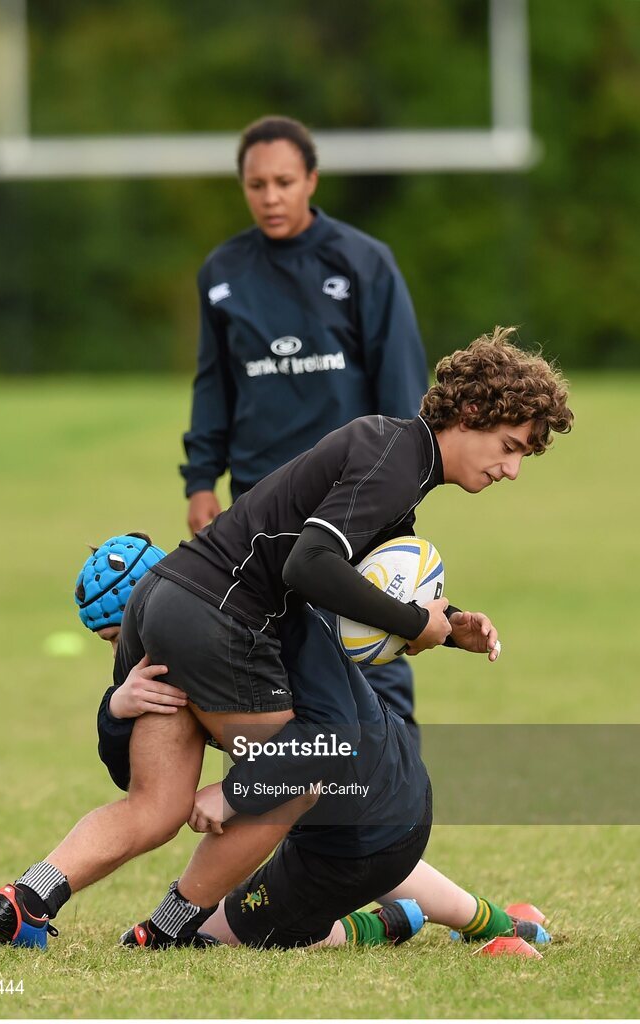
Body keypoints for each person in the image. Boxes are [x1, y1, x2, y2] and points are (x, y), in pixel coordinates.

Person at [0, 328, 570, 948]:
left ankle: (25, 901)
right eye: (509, 447)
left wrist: (448, 627)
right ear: (470, 413)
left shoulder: (390, 457)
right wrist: (415, 623)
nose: (511, 469)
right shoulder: (397, 457)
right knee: (294, 778)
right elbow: (310, 567)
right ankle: (168, 930)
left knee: (154, 805)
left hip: (166, 593)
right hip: (226, 616)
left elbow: (362, 588)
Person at [182, 114, 427, 733]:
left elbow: (399, 384)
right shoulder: (222, 273)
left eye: (284, 182)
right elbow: (215, 383)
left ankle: (394, 805)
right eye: (256, 184)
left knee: (373, 649)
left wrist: (403, 490)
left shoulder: (365, 263)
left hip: (353, 498)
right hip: (260, 503)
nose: (270, 198)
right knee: (282, 666)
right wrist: (201, 479)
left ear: (311, 180)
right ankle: (309, 820)